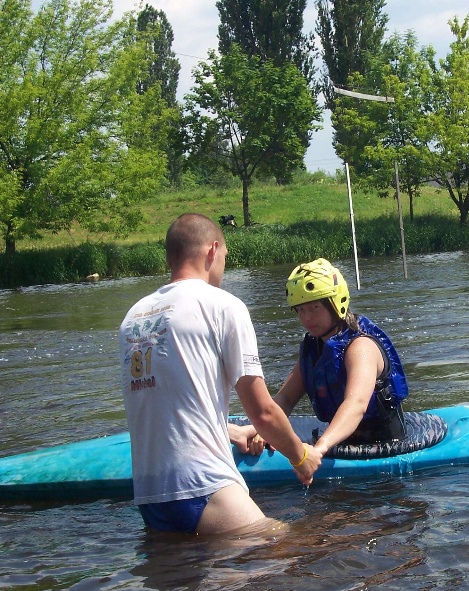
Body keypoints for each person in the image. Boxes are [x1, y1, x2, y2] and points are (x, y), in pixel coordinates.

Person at [119, 213, 321, 535]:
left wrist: (230, 430)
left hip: (150, 496)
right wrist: (301, 457)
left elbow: (168, 405)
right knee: (297, 549)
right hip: (205, 487)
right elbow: (264, 411)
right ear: (213, 251)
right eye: (224, 258)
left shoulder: (134, 317)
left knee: (190, 582)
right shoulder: (223, 306)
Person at [273, 258, 409, 455]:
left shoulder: (360, 347)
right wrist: (262, 430)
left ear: (336, 303)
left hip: (384, 446)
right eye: (301, 309)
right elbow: (285, 398)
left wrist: (320, 448)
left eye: (315, 307)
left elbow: (356, 405)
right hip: (340, 443)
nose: (306, 318)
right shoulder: (315, 348)